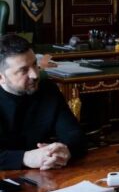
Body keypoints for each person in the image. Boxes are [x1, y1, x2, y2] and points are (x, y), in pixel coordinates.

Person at [0, 34, 87, 170]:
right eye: (24, 70)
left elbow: (75, 134)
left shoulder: (47, 89)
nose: (35, 74)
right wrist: (25, 158)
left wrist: (64, 150)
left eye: (35, 64)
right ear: (1, 77)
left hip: (46, 172)